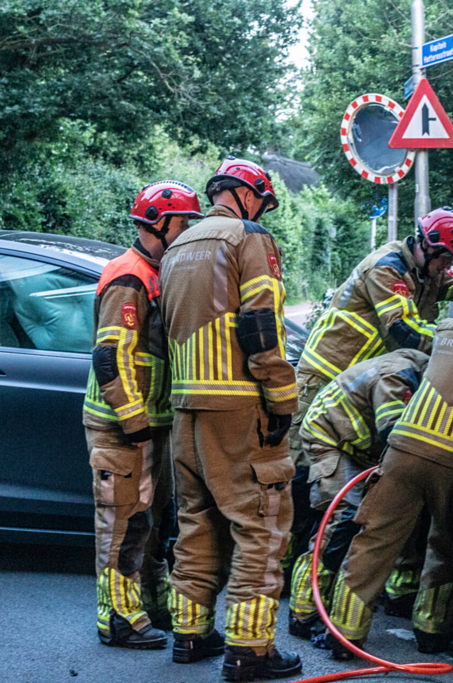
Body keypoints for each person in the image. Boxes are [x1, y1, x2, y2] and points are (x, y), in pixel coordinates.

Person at [288, 208, 453, 592]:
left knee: (353, 486)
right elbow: (404, 331)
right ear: (425, 244)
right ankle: (287, 573)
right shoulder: (388, 268)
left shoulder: (428, 272)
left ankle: (331, 569)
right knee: (305, 481)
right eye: (444, 257)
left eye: (451, 261)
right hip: (323, 378)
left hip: (361, 386)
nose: (447, 267)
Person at [159, 157, 303, 681]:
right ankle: (250, 652)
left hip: (186, 411)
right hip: (240, 406)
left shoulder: (177, 245)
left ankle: (190, 634)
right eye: (262, 202)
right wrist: (283, 401)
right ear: (248, 196)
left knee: (197, 522)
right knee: (260, 525)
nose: (263, 211)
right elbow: (261, 325)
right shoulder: (248, 238)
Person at [326, 288, 453, 657]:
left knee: (374, 540)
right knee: (446, 547)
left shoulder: (447, 329)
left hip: (402, 450)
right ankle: (432, 633)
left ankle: (344, 635)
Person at [82, 181, 203, 650]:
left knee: (147, 523)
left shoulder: (156, 271)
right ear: (160, 222)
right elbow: (110, 358)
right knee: (121, 526)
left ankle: (150, 604)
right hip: (121, 426)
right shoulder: (129, 275)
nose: (187, 228)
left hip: (149, 425)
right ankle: (117, 618)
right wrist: (133, 423)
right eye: (183, 221)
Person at [287, 348, 429, 638]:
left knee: (351, 521)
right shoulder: (398, 374)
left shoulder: (415, 373)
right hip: (330, 438)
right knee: (340, 519)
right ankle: (302, 613)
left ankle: (327, 601)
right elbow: (393, 434)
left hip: (356, 447)